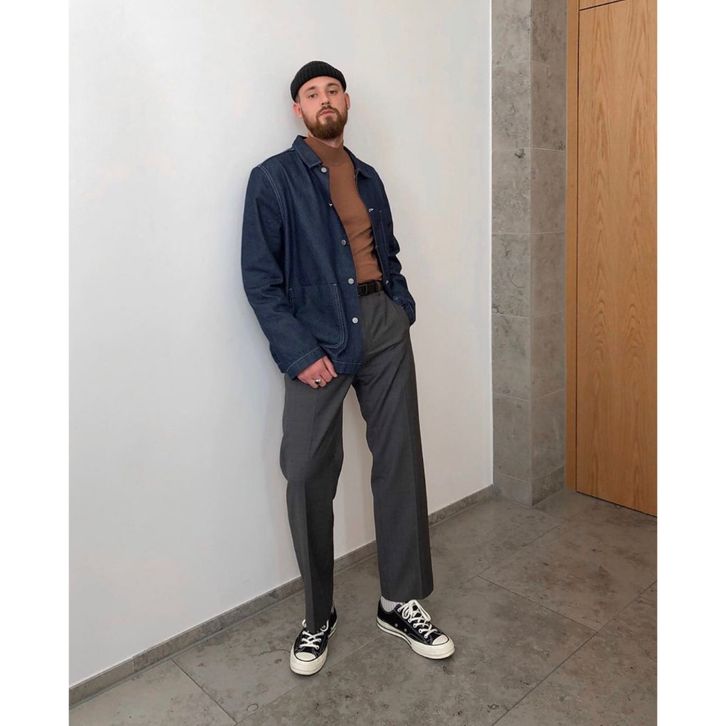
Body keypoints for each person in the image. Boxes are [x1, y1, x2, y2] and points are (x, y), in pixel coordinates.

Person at [241, 60, 454, 676]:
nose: (324, 99)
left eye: (332, 89)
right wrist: (299, 352)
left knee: (399, 458)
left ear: (346, 101)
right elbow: (260, 278)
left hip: (382, 324)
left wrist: (400, 306)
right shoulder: (273, 179)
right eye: (311, 93)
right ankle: (318, 615)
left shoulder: (368, 176)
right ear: (298, 110)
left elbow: (386, 251)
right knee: (307, 471)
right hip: (317, 338)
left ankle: (399, 600)